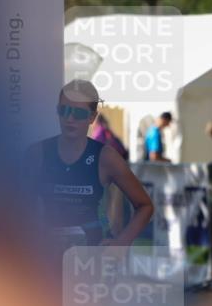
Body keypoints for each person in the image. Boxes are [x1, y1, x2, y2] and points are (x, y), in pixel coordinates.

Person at [25, 80, 153, 249]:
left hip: (91, 256)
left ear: (92, 117)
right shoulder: (38, 153)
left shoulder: (105, 157)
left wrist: (121, 243)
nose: (69, 118)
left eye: (78, 113)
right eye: (63, 111)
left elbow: (145, 206)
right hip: (45, 255)